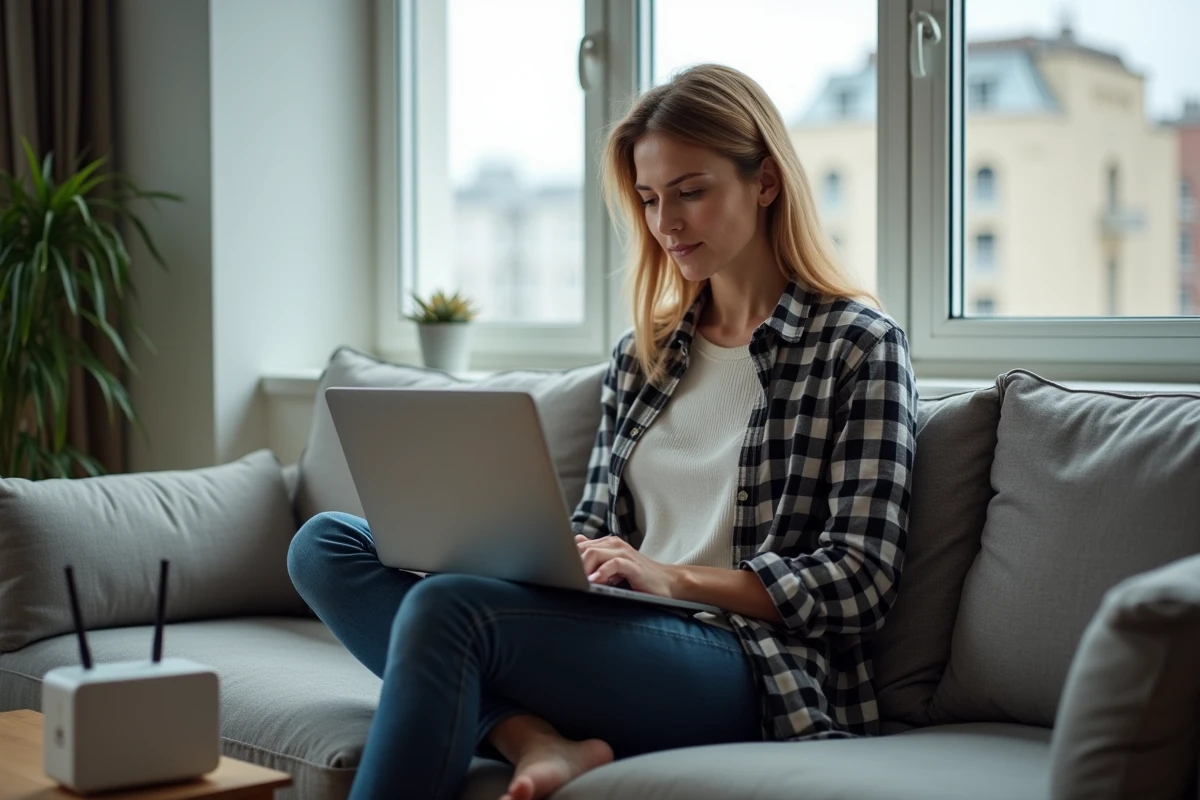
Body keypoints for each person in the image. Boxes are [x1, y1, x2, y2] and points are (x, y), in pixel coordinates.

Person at [287, 63, 918, 800]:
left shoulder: (858, 345)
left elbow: (861, 580)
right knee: (325, 544)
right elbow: (596, 523)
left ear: (767, 182)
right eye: (650, 200)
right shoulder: (643, 354)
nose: (666, 223)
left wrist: (669, 576)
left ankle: (532, 730)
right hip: (625, 625)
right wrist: (546, 555)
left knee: (444, 608)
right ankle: (533, 736)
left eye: (691, 192)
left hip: (753, 663)